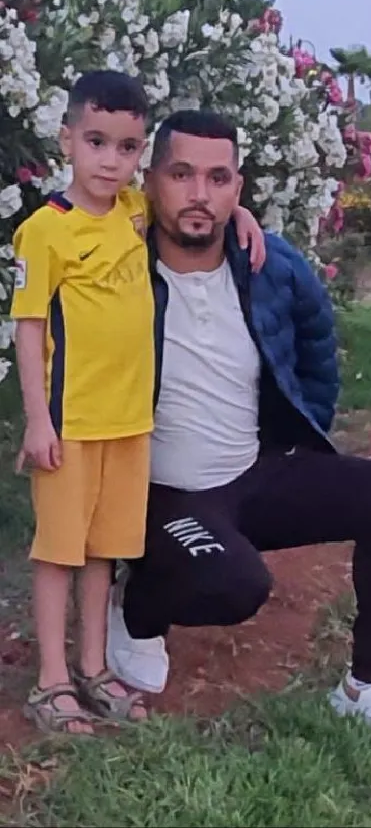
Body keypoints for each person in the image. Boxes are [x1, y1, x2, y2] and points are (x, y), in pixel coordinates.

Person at [107, 108, 371, 751]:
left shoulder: (268, 262)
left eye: (218, 179)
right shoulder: (114, 263)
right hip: (164, 493)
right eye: (181, 174)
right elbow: (66, 214)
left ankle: (369, 685)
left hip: (255, 471)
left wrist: (304, 439)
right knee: (235, 586)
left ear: (238, 188)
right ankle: (136, 608)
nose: (199, 195)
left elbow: (316, 346)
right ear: (150, 180)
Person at [11, 74, 264, 735]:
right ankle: (50, 680)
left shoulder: (132, 211)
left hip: (131, 426)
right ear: (66, 139)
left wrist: (239, 212)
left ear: (139, 160)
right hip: (72, 424)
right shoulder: (46, 231)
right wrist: (38, 420)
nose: (108, 160)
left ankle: (94, 669)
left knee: (102, 553)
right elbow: (30, 324)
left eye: (125, 147)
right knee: (59, 552)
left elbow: (198, 209)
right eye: (95, 141)